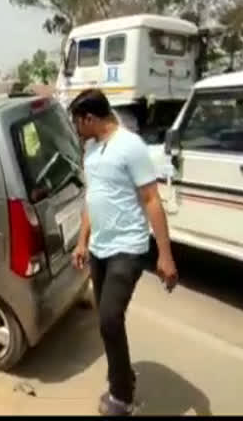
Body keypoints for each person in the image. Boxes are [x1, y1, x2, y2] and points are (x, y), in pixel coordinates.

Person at [69, 89, 178, 416]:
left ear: (90, 118)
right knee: (108, 322)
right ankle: (123, 374)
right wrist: (81, 241)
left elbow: (151, 200)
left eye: (77, 122)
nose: (76, 128)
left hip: (128, 249)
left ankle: (122, 396)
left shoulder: (131, 147)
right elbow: (93, 198)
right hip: (100, 249)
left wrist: (165, 254)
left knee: (109, 319)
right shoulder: (90, 150)